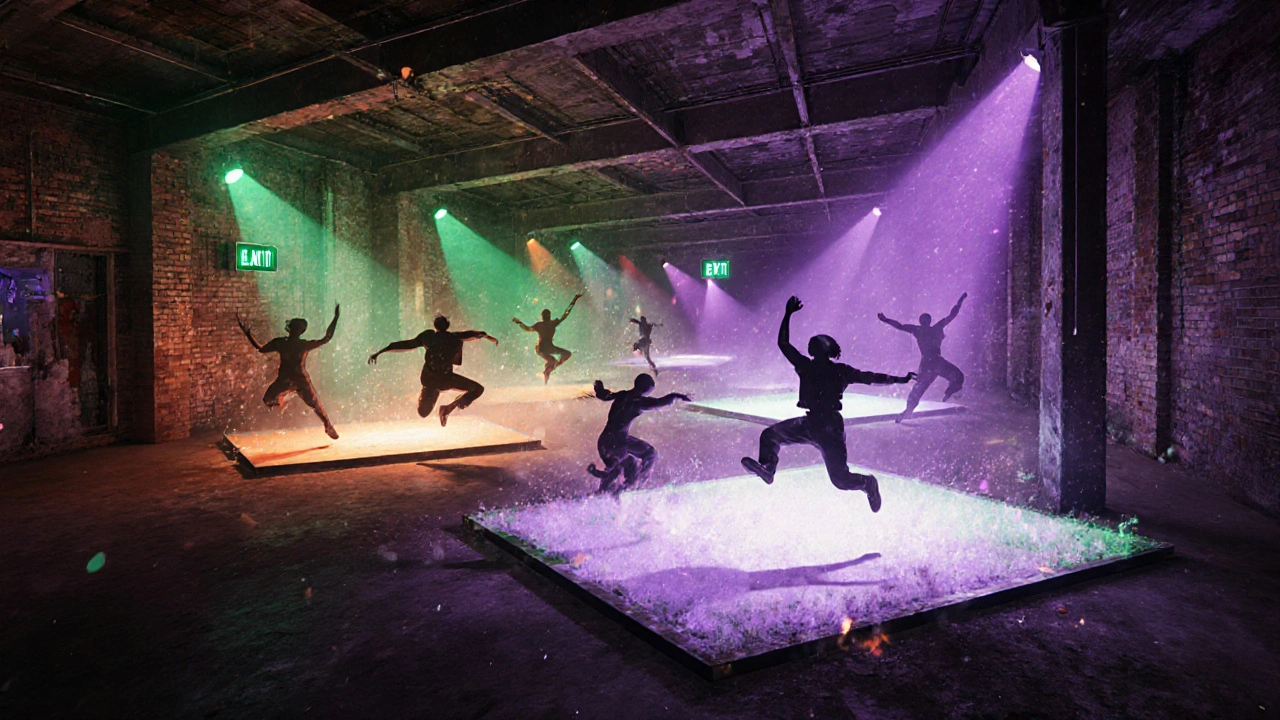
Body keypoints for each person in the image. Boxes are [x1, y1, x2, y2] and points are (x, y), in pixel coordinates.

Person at [740, 296, 915, 512]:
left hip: (829, 427)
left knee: (840, 480)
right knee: (769, 436)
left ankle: (868, 483)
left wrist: (899, 379)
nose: (812, 345)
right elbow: (783, 345)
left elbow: (871, 377)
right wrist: (787, 314)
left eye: (816, 343)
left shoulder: (838, 370)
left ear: (825, 349)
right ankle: (768, 469)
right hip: (810, 422)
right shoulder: (806, 365)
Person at [368, 315, 498, 426]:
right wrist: (487, 336)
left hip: (433, 380)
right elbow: (475, 334)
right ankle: (448, 408)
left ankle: (445, 406)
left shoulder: (430, 337)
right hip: (443, 380)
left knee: (423, 412)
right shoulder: (451, 337)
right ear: (447, 325)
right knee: (476, 389)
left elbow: (406, 344)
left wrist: (381, 352)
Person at [237, 304, 341, 440]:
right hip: (285, 380)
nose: (295, 330)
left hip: (301, 380)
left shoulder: (302, 344)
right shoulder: (281, 342)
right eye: (294, 327)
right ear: (290, 328)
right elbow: (261, 349)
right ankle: (285, 398)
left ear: (301, 331)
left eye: (298, 329)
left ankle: (328, 425)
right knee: (268, 399)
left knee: (316, 405)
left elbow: (326, 338)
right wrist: (248, 334)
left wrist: (335, 318)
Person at [587, 373, 690, 495]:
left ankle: (609, 489)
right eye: (648, 392)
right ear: (644, 389)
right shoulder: (639, 402)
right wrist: (677, 395)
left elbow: (606, 396)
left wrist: (599, 388)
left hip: (605, 439)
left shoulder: (622, 395)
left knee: (625, 464)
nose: (647, 395)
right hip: (618, 442)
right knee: (649, 455)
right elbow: (660, 402)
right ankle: (633, 486)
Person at [877, 292, 967, 422]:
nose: (924, 322)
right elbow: (951, 315)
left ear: (927, 321)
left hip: (931, 362)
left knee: (921, 389)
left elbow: (952, 315)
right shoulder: (930, 329)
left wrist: (960, 301)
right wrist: (886, 320)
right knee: (924, 387)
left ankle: (949, 391)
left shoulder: (925, 329)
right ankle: (910, 409)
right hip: (933, 362)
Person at [513, 293, 583, 383]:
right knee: (552, 361)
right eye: (545, 316)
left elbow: (565, 315)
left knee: (565, 355)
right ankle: (547, 373)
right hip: (541, 348)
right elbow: (528, 329)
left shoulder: (551, 323)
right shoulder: (541, 325)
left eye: (547, 316)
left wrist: (574, 300)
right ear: (544, 317)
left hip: (549, 347)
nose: (546, 318)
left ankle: (549, 370)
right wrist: (519, 323)